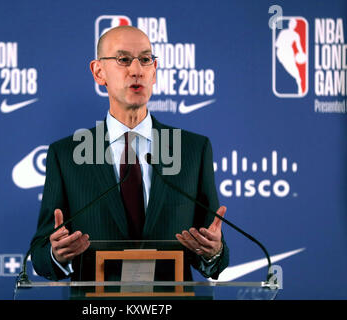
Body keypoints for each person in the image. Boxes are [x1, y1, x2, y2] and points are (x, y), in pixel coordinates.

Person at [30, 26, 229, 283]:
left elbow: (215, 256)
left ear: (154, 71)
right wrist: (57, 254)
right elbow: (40, 256)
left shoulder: (192, 150)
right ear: (98, 72)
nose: (137, 70)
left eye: (146, 60)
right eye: (123, 60)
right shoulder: (66, 155)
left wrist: (214, 251)